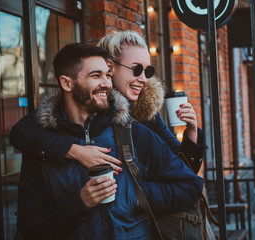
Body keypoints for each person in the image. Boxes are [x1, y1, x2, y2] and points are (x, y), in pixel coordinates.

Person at [16, 43, 204, 239]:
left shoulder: (133, 132)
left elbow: (190, 186)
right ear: (67, 83)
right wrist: (78, 203)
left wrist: (134, 194)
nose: (106, 83)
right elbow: (29, 227)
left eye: (107, 75)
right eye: (96, 76)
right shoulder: (42, 147)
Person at [10, 30, 205, 175]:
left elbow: (185, 169)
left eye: (148, 71)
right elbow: (21, 133)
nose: (144, 79)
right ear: (110, 67)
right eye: (137, 70)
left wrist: (192, 131)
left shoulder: (144, 112)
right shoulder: (82, 107)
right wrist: (74, 151)